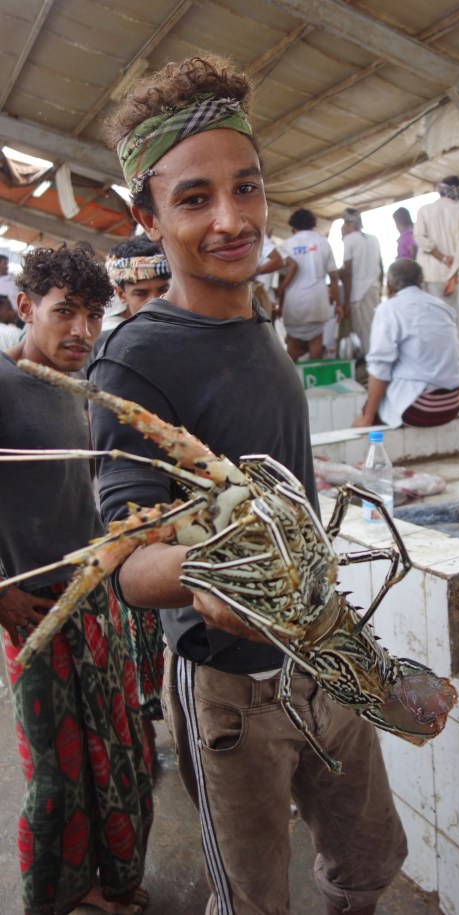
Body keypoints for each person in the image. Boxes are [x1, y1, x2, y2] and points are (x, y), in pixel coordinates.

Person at [92, 53, 407, 915]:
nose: (232, 220)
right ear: (147, 214)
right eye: (194, 198)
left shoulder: (259, 323)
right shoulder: (135, 359)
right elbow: (124, 562)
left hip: (327, 651)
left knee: (371, 859)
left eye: (248, 188)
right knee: (253, 898)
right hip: (228, 682)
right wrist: (203, 575)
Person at [0, 242, 152, 915]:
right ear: (25, 307)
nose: (83, 330)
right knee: (57, 778)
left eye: (93, 313)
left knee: (117, 753)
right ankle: (48, 900)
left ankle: (105, 883)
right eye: (65, 312)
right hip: (33, 609)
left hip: (95, 596)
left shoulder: (82, 385)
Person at [103, 235, 173, 757]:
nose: (150, 303)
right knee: (136, 632)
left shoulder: (188, 339)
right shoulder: (109, 353)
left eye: (161, 289)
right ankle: (146, 744)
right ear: (122, 295)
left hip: (184, 513)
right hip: (129, 515)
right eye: (140, 293)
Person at [353, 258, 459, 428]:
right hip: (454, 401)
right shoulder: (442, 307)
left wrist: (367, 417)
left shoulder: (389, 309)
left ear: (389, 286)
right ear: (422, 283)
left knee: (360, 422)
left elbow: (379, 368)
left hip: (421, 408)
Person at [277, 207, 341, 361]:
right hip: (317, 302)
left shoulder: (287, 245)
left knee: (292, 344)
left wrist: (281, 304)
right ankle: (314, 380)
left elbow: (282, 279)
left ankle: (291, 382)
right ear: (313, 224)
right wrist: (338, 303)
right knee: (316, 342)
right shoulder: (323, 243)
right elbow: (333, 276)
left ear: (293, 225)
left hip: (294, 302)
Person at [414, 175, 459, 308]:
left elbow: (420, 238)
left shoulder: (424, 210)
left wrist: (442, 257)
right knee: (447, 320)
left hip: (425, 275)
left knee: (425, 319)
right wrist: (453, 277)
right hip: (447, 276)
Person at [340, 207, 383, 355]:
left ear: (348, 225)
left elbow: (347, 272)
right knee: (373, 328)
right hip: (374, 289)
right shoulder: (374, 238)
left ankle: (369, 369)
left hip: (359, 292)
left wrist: (345, 302)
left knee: (363, 332)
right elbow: (381, 266)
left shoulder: (349, 239)